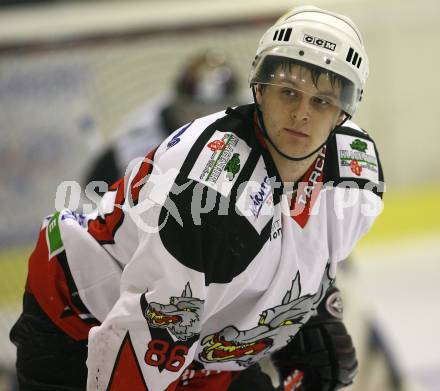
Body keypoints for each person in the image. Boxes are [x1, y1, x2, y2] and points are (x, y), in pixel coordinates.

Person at [10, 5, 384, 391]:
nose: (302, 114)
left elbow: (306, 255)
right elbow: (145, 343)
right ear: (260, 90)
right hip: (83, 314)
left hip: (196, 333)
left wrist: (307, 311)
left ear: (344, 111)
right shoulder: (208, 192)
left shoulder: (356, 172)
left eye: (321, 101)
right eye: (288, 93)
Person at [84, 49, 241, 189]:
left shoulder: (255, 120)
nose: (208, 121)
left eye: (220, 111)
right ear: (178, 107)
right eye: (196, 112)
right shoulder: (137, 142)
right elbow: (93, 191)